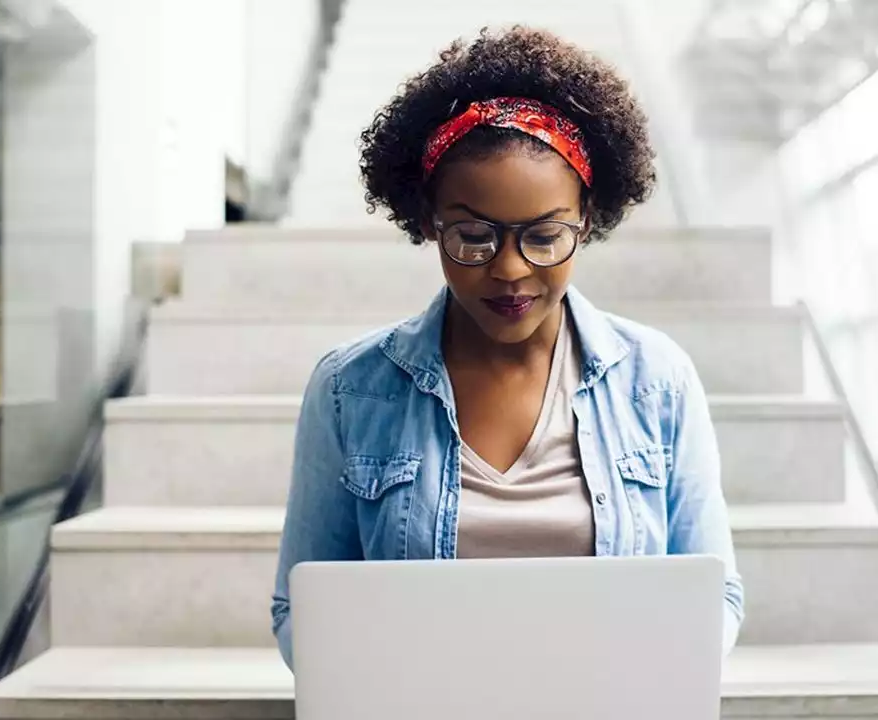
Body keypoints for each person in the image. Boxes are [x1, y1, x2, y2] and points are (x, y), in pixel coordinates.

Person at [272, 26, 743, 668]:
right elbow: (301, 608)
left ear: (587, 219)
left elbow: (717, 596)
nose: (511, 270)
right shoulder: (350, 388)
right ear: (426, 222)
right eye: (472, 236)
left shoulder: (656, 379)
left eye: (546, 236)